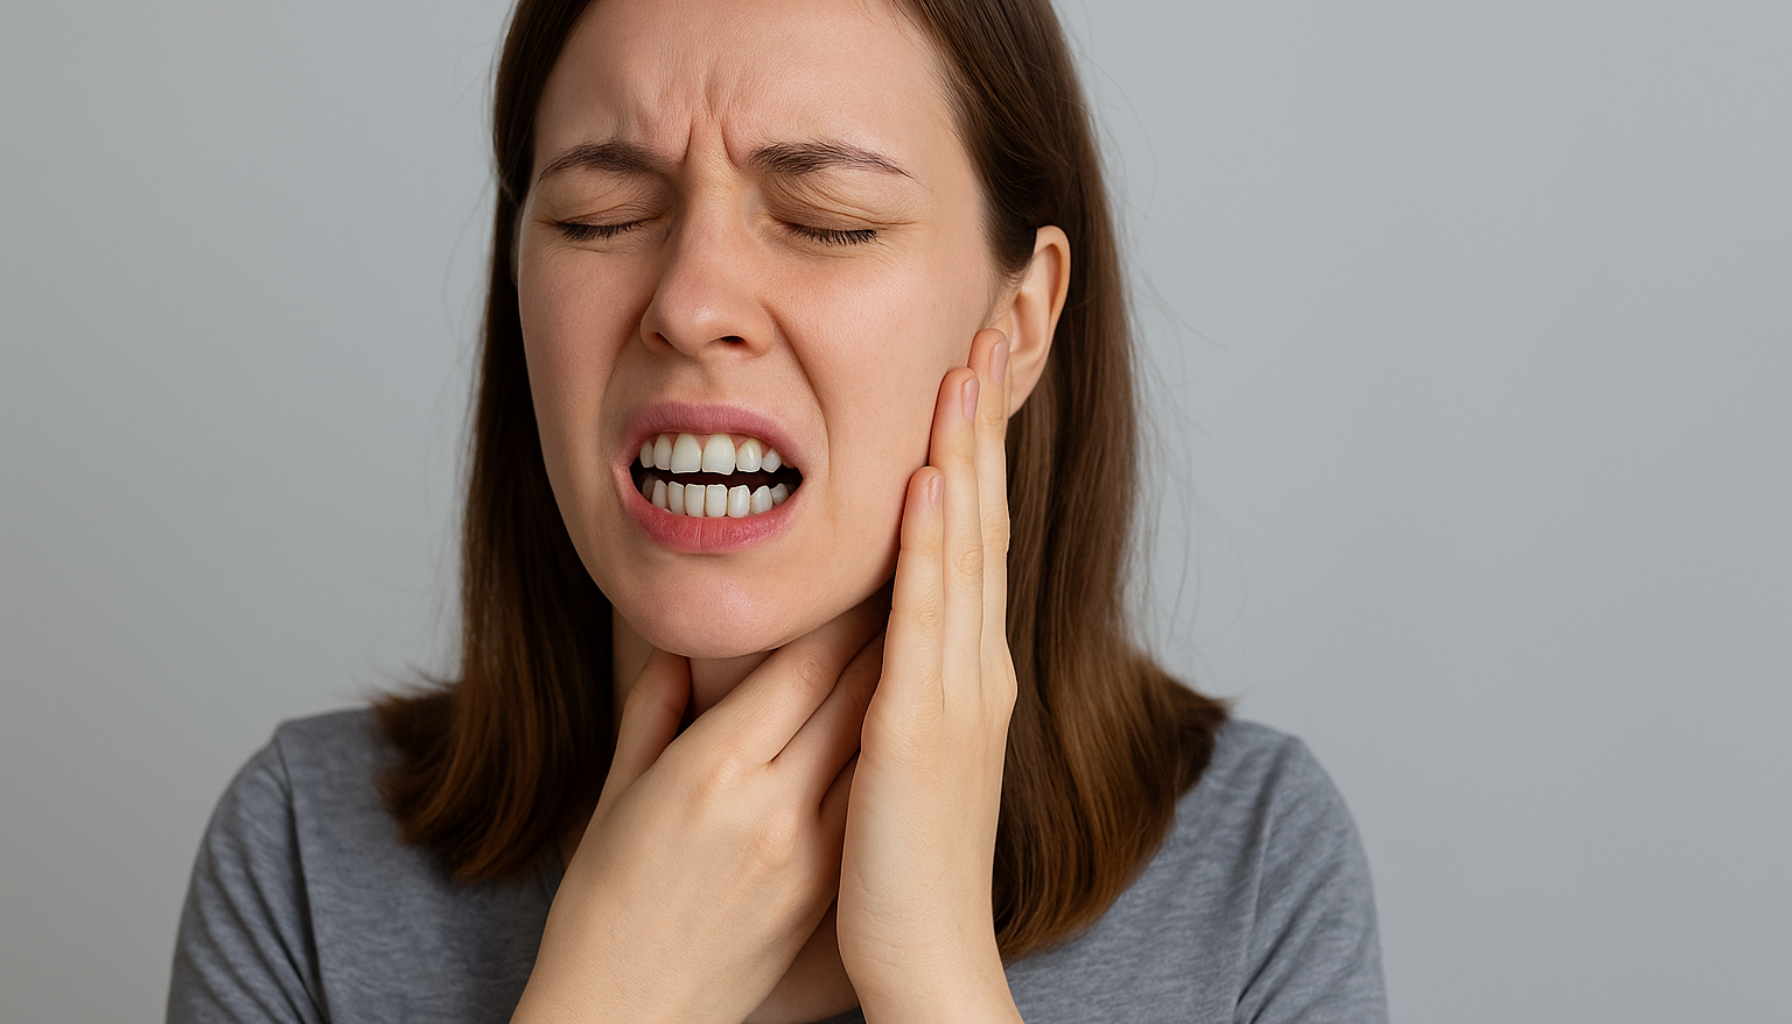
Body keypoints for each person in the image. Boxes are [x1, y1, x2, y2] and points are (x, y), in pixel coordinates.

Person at [167, 0, 1387, 1021]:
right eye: (600, 217)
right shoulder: (300, 858)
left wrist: (934, 975)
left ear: (1016, 325)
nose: (691, 304)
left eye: (825, 222)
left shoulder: (1253, 870)